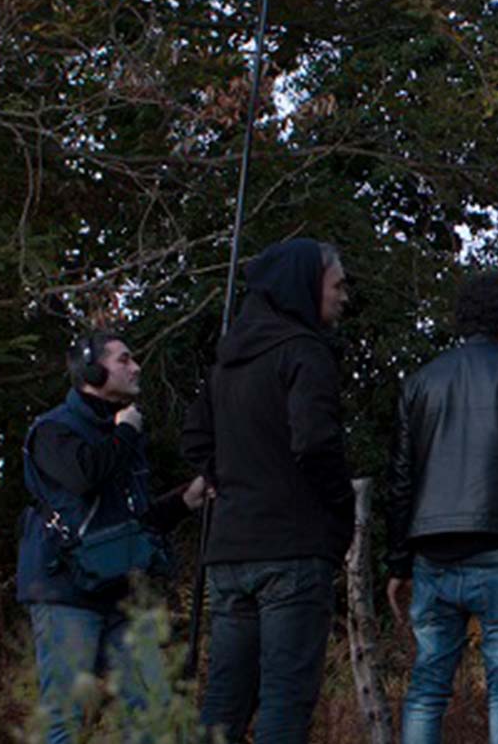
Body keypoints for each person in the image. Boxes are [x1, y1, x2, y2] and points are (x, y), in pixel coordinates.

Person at [384, 269, 498, 744]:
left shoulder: (420, 382)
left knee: (427, 687)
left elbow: (401, 479)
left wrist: (398, 559)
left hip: (434, 551)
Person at [184, 238, 354, 743]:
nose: (344, 296)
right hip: (293, 549)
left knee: (225, 700)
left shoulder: (228, 361)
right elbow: (315, 442)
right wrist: (338, 511)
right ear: (306, 284)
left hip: (231, 552)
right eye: (338, 284)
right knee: (285, 698)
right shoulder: (304, 352)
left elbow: (195, 438)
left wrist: (232, 479)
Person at [16, 331, 211, 743]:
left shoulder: (124, 432)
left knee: (152, 712)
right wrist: (125, 435)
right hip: (66, 593)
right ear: (91, 370)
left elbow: (131, 522)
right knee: (63, 719)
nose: (135, 367)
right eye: (124, 359)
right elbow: (82, 477)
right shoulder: (54, 431)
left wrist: (185, 500)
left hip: (120, 594)